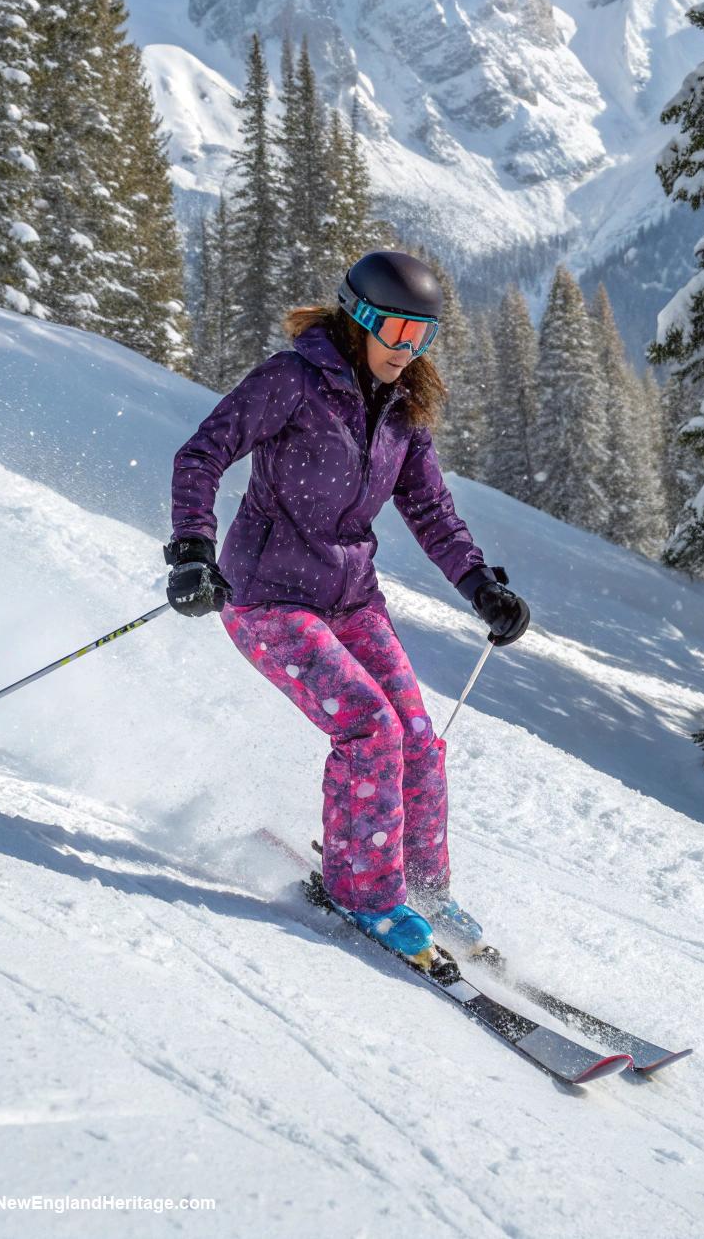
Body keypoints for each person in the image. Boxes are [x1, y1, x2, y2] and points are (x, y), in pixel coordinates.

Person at [164, 248, 530, 967]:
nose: (408, 349)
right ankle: (364, 892)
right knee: (371, 729)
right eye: (396, 331)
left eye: (421, 336)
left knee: (418, 738)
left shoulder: (402, 408)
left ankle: (422, 887)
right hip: (267, 599)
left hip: (351, 599)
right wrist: (191, 552)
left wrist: (480, 584)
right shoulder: (292, 381)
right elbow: (201, 455)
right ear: (359, 318)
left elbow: (429, 507)